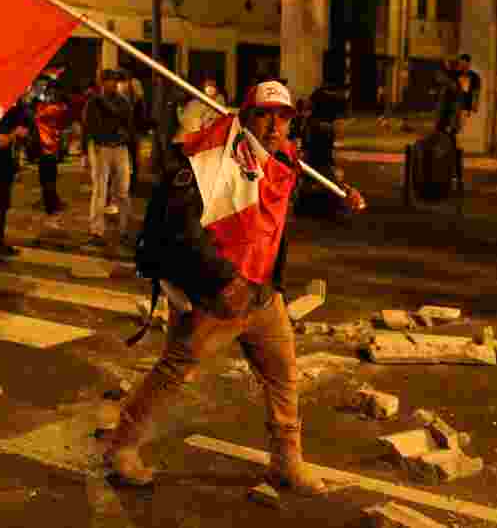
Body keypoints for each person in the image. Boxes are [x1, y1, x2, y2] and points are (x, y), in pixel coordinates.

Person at [102, 80, 328, 496]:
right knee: (173, 372)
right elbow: (182, 230)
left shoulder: (284, 160)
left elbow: (279, 218)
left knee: (282, 377)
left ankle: (287, 462)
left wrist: (342, 196)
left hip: (262, 294)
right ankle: (121, 450)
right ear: (245, 116)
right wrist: (225, 281)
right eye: (264, 114)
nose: (274, 124)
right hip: (217, 298)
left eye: (283, 115)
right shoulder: (211, 163)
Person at [82, 69, 133, 246]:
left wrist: (126, 140)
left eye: (113, 80)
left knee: (123, 191)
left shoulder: (122, 101)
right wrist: (85, 153)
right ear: (102, 83)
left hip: (119, 147)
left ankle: (124, 228)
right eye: (108, 81)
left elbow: (129, 125)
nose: (111, 83)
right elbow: (87, 127)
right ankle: (96, 230)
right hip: (100, 147)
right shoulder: (94, 102)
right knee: (99, 190)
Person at [0, 100, 31, 266]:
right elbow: (0, 141)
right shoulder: (4, 113)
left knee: (1, 205)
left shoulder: (9, 110)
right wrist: (16, 132)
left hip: (4, 164)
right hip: (0, 164)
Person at [31, 77, 70, 218]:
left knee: (48, 178)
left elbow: (37, 116)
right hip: (48, 148)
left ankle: (51, 205)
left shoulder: (52, 109)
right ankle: (51, 204)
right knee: (48, 178)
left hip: (48, 148)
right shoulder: (54, 107)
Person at [175, 72, 225, 139]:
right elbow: (187, 123)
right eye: (208, 85)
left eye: (212, 85)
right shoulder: (193, 103)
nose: (210, 88)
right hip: (193, 140)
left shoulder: (220, 102)